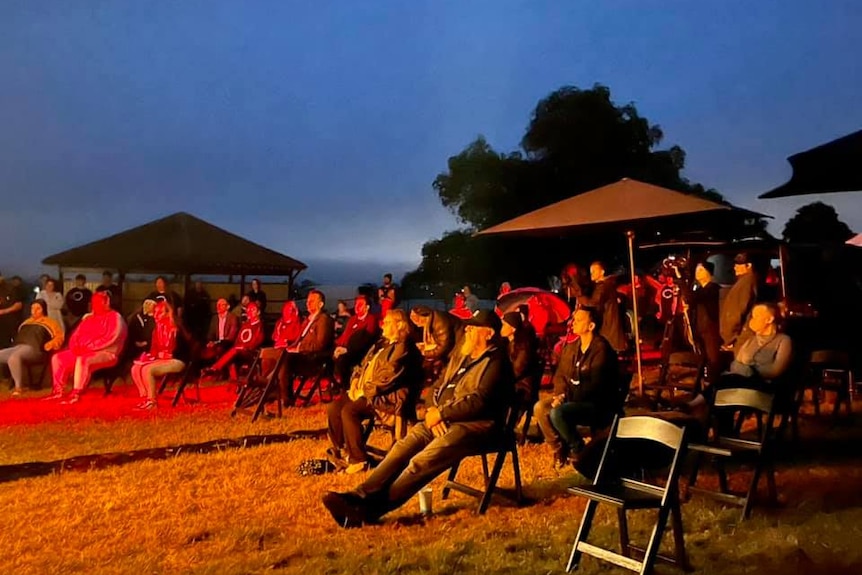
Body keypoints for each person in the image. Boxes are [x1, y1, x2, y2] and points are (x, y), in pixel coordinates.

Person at [322, 310, 513, 527]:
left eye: (473, 327)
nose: (467, 330)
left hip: (477, 426)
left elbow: (479, 401)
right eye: (467, 326)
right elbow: (436, 388)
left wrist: (442, 413)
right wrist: (434, 411)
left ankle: (371, 510)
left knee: (421, 462)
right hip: (443, 419)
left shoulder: (496, 362)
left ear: (488, 333)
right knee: (401, 448)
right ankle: (358, 495)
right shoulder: (463, 355)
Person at [326, 309, 422, 473]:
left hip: (388, 397)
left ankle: (359, 460)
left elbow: (389, 376)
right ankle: (342, 450)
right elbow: (363, 365)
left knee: (350, 410)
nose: (383, 325)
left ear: (399, 325)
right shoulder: (381, 343)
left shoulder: (403, 347)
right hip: (367, 390)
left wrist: (364, 390)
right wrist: (356, 380)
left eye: (388, 322)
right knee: (334, 407)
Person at [534, 307, 619, 467]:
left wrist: (565, 398)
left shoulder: (601, 349)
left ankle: (578, 449)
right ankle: (558, 448)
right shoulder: (572, 347)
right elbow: (560, 375)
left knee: (558, 413)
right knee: (540, 408)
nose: (573, 323)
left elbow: (596, 385)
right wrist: (559, 394)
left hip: (595, 403)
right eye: (574, 319)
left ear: (591, 326)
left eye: (579, 320)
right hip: (571, 397)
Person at [47, 291, 127, 403]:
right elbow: (76, 336)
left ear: (107, 302)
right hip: (84, 351)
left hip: (107, 353)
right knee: (58, 358)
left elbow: (112, 338)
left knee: (83, 360)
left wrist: (89, 347)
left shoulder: (115, 317)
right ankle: (58, 391)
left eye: (100, 302)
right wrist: (75, 346)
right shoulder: (89, 318)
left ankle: (76, 393)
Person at [277, 289, 335, 405]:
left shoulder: (323, 319)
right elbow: (298, 339)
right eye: (307, 301)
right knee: (277, 355)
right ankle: (271, 388)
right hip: (302, 356)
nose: (308, 304)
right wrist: (288, 347)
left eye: (312, 301)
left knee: (286, 359)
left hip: (313, 359)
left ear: (321, 304)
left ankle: (285, 397)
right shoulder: (307, 320)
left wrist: (299, 348)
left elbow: (320, 344)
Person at [130, 301, 190, 411]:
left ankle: (152, 402)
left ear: (168, 313)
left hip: (177, 360)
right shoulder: (157, 329)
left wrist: (166, 354)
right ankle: (145, 398)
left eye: (160, 312)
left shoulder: (176, 326)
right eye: (155, 312)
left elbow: (182, 348)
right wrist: (150, 356)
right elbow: (154, 350)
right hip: (163, 359)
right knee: (136, 368)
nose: (156, 315)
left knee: (148, 370)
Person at [0, 300, 64, 396]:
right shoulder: (25, 322)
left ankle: (18, 387)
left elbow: (59, 336)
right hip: (19, 346)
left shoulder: (50, 322)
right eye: (32, 308)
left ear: (43, 309)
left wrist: (51, 344)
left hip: (35, 349)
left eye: (38, 308)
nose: (34, 311)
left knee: (14, 356)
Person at [682, 262, 722, 385]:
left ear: (709, 273)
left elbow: (691, 298)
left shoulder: (713, 288)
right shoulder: (699, 289)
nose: (697, 273)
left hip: (710, 327)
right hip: (700, 327)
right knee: (703, 356)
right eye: (697, 270)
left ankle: (714, 382)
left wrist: (682, 283)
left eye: (701, 270)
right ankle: (705, 380)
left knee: (712, 357)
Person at [203, 301, 265, 379]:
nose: (250, 312)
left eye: (253, 310)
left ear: (258, 312)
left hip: (251, 352)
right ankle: (235, 384)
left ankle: (215, 368)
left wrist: (245, 347)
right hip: (240, 351)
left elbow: (258, 341)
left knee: (234, 351)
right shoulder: (245, 325)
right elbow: (238, 339)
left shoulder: (260, 326)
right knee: (231, 360)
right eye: (248, 310)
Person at [577, 261, 627, 353]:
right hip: (609, 323)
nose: (592, 274)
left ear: (602, 272)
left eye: (594, 271)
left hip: (607, 325)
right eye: (591, 271)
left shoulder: (603, 286)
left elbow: (594, 302)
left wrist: (580, 298)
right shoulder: (606, 285)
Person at [332, 294, 379, 389]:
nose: (357, 307)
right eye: (356, 304)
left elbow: (365, 340)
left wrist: (347, 349)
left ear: (367, 307)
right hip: (345, 348)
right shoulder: (353, 319)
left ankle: (345, 388)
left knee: (343, 359)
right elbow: (345, 335)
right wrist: (337, 346)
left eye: (360, 304)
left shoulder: (371, 319)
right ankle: (335, 383)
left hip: (359, 351)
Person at [409, 305, 462, 385]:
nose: (417, 324)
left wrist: (424, 352)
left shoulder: (439, 322)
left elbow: (443, 347)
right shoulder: (433, 320)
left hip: (458, 349)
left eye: (417, 320)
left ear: (423, 316)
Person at [501, 311, 541, 405]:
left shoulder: (523, 346)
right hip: (510, 382)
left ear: (513, 328)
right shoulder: (506, 343)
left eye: (504, 325)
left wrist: (500, 379)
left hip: (521, 386)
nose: (501, 328)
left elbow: (518, 370)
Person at [720, 252, 758, 350]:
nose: (735, 268)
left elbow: (736, 312)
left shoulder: (746, 283)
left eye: (738, 265)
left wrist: (730, 337)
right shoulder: (745, 282)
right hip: (742, 334)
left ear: (749, 265)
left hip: (741, 336)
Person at [200, 298, 240, 364]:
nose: (218, 306)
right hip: (216, 343)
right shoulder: (215, 318)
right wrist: (210, 342)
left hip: (227, 344)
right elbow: (210, 334)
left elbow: (231, 337)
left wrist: (216, 343)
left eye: (221, 304)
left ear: (228, 307)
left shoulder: (233, 318)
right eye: (217, 304)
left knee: (219, 349)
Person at [0, 270, 25, 348]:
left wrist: (4, 311)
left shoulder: (10, 288)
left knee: (8, 346)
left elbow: (19, 305)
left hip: (9, 323)